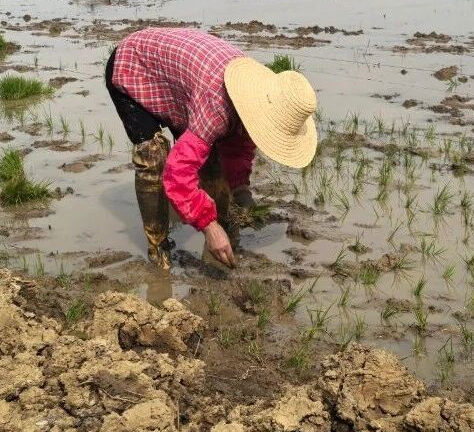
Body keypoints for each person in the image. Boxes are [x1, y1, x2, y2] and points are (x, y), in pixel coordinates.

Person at [105, 27, 318, 269]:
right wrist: (209, 227)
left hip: (179, 84)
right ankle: (159, 252)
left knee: (210, 163)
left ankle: (222, 234)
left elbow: (238, 147)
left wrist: (241, 190)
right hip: (134, 65)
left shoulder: (257, 96)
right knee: (153, 157)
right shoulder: (216, 105)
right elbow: (177, 176)